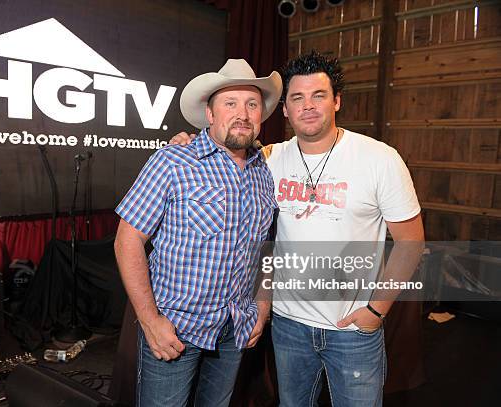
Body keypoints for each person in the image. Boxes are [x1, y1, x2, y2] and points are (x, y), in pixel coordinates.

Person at [171, 50, 425, 407]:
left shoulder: (380, 159)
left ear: (336, 101)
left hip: (352, 330)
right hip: (288, 326)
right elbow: (225, 156)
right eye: (297, 98)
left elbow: (411, 242)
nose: (308, 106)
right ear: (285, 109)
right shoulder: (268, 159)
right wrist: (186, 143)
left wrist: (375, 311)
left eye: (319, 95)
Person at [114, 58, 282, 407]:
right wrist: (150, 322)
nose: (243, 113)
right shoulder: (174, 161)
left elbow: (265, 248)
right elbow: (127, 241)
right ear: (210, 114)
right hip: (176, 330)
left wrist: (261, 307)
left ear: (261, 115)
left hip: (233, 329)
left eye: (252, 104)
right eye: (230, 103)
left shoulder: (263, 172)